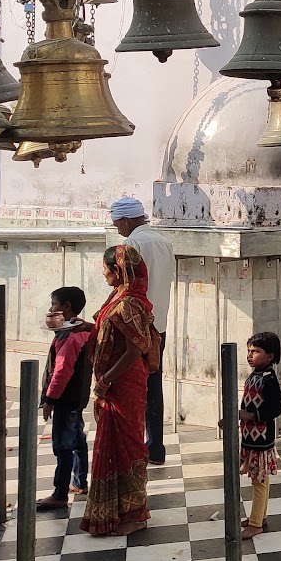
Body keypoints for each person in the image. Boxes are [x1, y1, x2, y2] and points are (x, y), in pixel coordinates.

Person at [81, 245, 156, 538]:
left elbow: (134, 350)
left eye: (105, 266)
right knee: (113, 443)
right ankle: (114, 510)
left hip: (124, 383)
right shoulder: (118, 298)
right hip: (116, 382)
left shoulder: (129, 304)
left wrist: (106, 380)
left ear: (118, 270)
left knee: (128, 446)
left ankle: (135, 513)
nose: (103, 272)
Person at [110, 197, 174, 466]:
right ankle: (155, 445)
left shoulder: (131, 244)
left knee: (134, 384)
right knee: (154, 384)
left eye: (117, 225)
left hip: (137, 323)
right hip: (159, 323)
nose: (117, 230)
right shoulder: (163, 242)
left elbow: (126, 284)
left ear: (125, 220)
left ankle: (136, 443)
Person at [37, 287, 93, 512]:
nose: (51, 309)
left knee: (63, 445)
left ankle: (60, 493)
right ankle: (79, 482)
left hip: (65, 399)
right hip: (77, 398)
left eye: (54, 305)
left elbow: (61, 371)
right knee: (77, 439)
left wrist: (50, 399)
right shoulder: (80, 332)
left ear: (67, 307)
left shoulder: (70, 337)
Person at [239, 331, 281, 540]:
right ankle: (260, 517)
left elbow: (275, 409)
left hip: (261, 439)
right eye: (249, 351)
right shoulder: (254, 376)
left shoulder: (269, 380)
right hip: (250, 437)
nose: (250, 355)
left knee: (259, 480)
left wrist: (251, 416)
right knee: (259, 479)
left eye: (255, 351)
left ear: (270, 356)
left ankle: (256, 523)